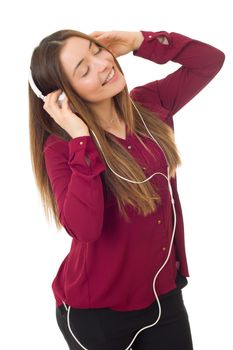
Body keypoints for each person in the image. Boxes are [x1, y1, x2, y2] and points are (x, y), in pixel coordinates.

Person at [28, 29, 225, 350]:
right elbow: (84, 228)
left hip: (164, 295)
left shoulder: (149, 105)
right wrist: (81, 137)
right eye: (84, 69)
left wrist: (138, 41)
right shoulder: (63, 148)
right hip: (96, 315)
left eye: (98, 51)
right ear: (63, 96)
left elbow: (209, 61)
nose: (103, 64)